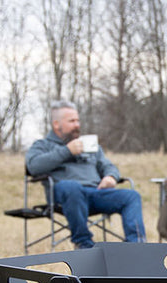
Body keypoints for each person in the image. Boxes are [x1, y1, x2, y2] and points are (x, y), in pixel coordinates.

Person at [25, 100, 145, 249]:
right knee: (72, 187)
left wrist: (111, 176)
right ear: (57, 124)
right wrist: (67, 151)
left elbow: (108, 165)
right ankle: (84, 244)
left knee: (131, 196)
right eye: (72, 121)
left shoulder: (89, 145)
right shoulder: (43, 145)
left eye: (78, 120)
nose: (77, 125)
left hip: (96, 193)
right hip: (65, 196)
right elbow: (34, 166)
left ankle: (137, 247)